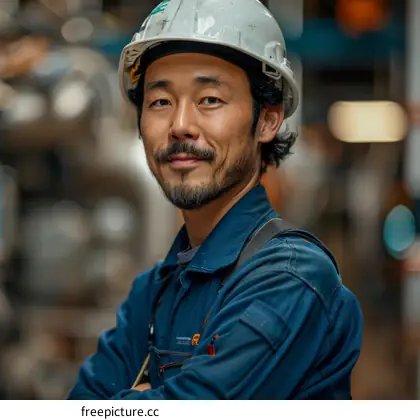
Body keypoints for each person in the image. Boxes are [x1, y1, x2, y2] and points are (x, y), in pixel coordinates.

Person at [67, 0, 363, 400]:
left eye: (210, 100)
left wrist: (133, 399)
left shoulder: (291, 279)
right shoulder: (152, 292)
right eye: (160, 102)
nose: (180, 125)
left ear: (267, 121)